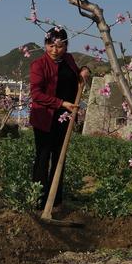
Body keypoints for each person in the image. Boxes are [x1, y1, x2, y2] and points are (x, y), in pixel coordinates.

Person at [29, 27, 90, 210]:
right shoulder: (38, 65)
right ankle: (38, 200)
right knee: (42, 157)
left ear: (66, 46)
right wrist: (62, 103)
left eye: (60, 46)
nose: (55, 50)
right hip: (45, 118)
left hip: (65, 118)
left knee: (60, 157)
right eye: (51, 45)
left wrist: (85, 70)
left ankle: (55, 199)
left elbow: (78, 72)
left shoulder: (69, 60)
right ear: (45, 45)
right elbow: (36, 95)